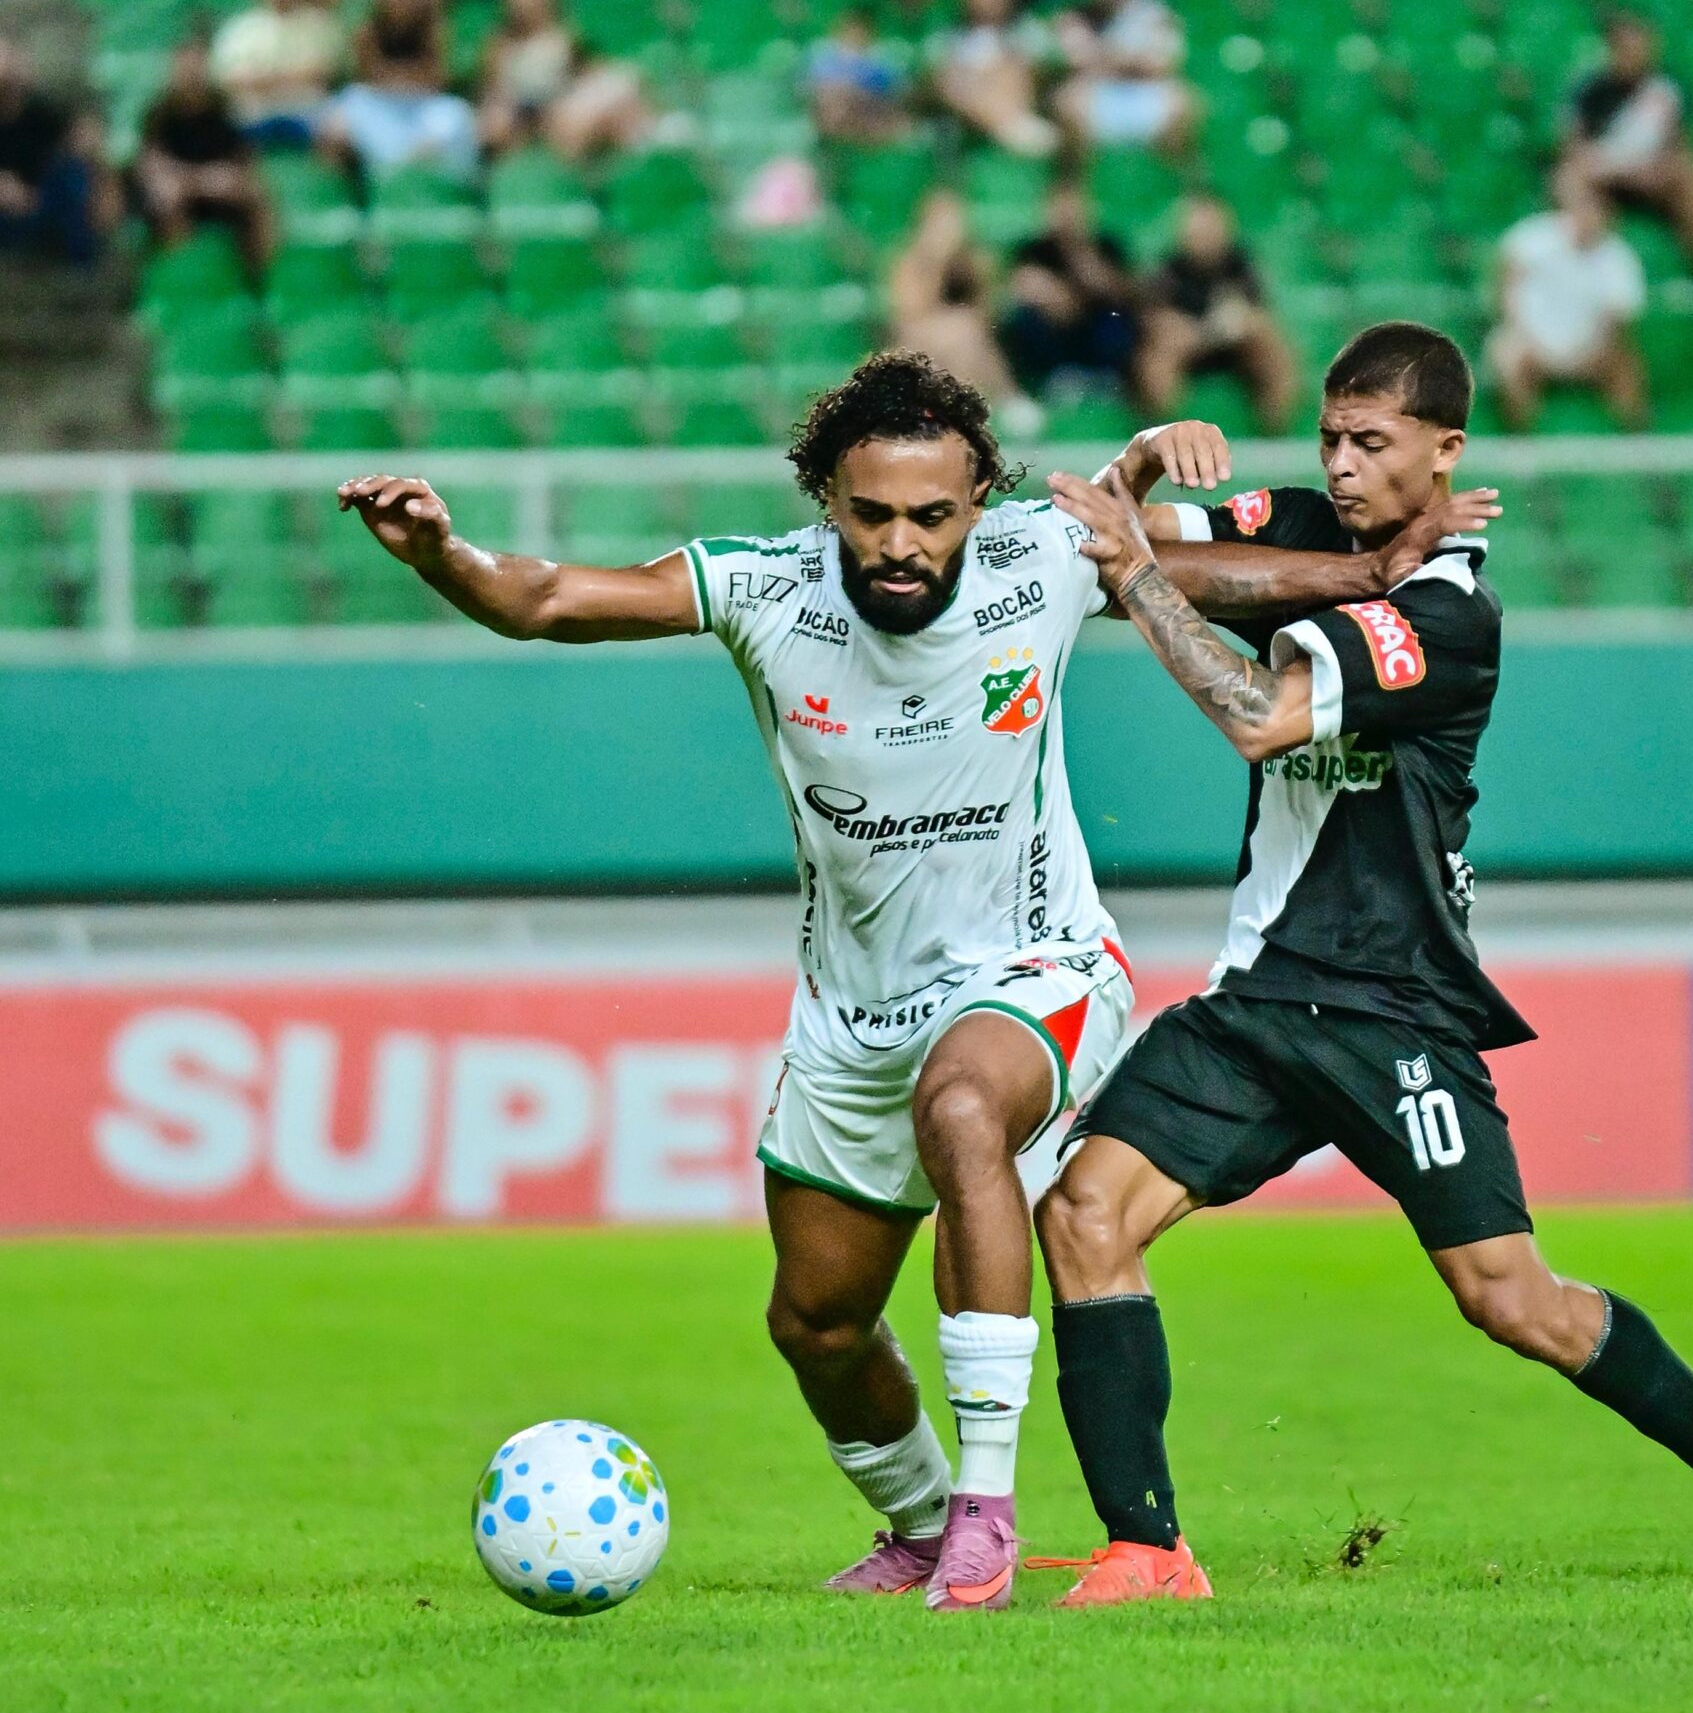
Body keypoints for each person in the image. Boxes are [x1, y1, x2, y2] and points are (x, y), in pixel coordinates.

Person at [337, 358, 1469, 1610]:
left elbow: (1217, 577)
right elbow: (544, 598)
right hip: (849, 1014)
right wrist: (438, 552)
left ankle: (988, 1513)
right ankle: (924, 1521)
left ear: (978, 500)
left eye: (931, 516)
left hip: (1039, 967)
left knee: (962, 1110)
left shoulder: (1037, 557)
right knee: (815, 1324)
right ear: (826, 496)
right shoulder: (762, 586)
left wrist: (1376, 573)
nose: (899, 542)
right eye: (871, 513)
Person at [1028, 324, 1693, 1606]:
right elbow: (1114, 549)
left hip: (1394, 1012)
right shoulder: (1316, 521)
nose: (1344, 463)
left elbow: (1255, 712)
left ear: (1447, 451)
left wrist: (1147, 570)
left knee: (1510, 1300)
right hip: (1260, 996)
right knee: (1082, 1213)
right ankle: (1148, 1549)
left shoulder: (1447, 616)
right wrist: (1146, 463)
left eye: (1372, 444)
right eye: (1331, 435)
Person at [1485, 166, 1647, 430]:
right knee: (1507, 358)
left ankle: (1639, 447)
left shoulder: (1620, 258)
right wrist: (1528, 338)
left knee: (1626, 368)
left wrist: (1587, 353)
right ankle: (1522, 443)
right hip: (1530, 340)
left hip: (1591, 349)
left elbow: (1615, 322)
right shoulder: (1533, 238)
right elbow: (1507, 291)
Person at [1134, 192, 1297, 432]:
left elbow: (1256, 313)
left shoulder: (1242, 265)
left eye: (1211, 226)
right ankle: (1160, 433)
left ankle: (1275, 432)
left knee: (1271, 348)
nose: (1205, 235)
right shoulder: (1168, 270)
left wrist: (1240, 322)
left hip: (1233, 347)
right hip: (1187, 350)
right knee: (1156, 358)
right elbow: (1158, 320)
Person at [1562, 13, 1693, 255]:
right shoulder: (1591, 89)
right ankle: (1584, 253)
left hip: (1653, 170)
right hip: (1606, 171)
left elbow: (1683, 145)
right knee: (1570, 178)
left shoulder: (1667, 88)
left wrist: (1660, 167)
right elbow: (1573, 145)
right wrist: (1610, 168)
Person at [321, 0, 478, 178]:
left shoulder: (433, 26)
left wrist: (396, 77)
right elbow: (368, 74)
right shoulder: (369, 28)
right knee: (340, 117)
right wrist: (405, 76)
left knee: (454, 118)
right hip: (379, 102)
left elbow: (435, 78)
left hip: (424, 103)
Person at [885, 188, 1034, 426]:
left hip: (966, 343)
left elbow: (988, 316)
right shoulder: (909, 261)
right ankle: (1004, 397)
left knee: (967, 334)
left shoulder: (974, 259)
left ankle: (967, 408)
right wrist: (937, 261)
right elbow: (911, 314)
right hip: (918, 340)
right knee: (962, 331)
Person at [132, 40, 275, 278]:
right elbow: (151, 164)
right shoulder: (159, 114)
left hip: (219, 190)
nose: (191, 75)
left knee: (257, 195)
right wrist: (195, 179)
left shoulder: (224, 111)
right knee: (165, 196)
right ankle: (181, 278)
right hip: (180, 187)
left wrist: (225, 179)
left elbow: (242, 161)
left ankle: (258, 279)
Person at [475, 0, 650, 160]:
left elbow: (592, 71)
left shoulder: (566, 37)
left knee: (620, 87)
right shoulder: (500, 45)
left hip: (563, 111)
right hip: (522, 118)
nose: (525, 0)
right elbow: (494, 94)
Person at [1050, 0, 1198, 156]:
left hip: (1145, 93)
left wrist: (1106, 59)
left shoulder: (1157, 12)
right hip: (1099, 96)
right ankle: (1072, 181)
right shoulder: (1075, 15)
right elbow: (1078, 62)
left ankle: (1187, 179)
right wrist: (1130, 61)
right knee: (1068, 99)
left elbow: (1162, 63)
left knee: (1184, 99)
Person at [998, 179, 1141, 401]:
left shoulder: (1105, 246)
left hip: (1096, 336)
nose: (1067, 216)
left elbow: (1126, 294)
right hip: (1049, 336)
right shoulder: (1033, 251)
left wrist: (1086, 264)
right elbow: (1018, 288)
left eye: (1074, 208)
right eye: (1059, 208)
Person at [209, 0, 345, 149]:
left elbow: (323, 73)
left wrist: (265, 80)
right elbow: (228, 78)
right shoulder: (240, 28)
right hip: (254, 114)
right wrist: (289, 78)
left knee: (340, 133)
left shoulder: (320, 24)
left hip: (307, 112)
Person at [0, 39, 112, 267]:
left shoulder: (40, 112)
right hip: (6, 212)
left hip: (41, 202)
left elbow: (74, 146)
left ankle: (82, 266)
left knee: (73, 176)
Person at [928, 0, 1057, 158]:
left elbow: (1044, 70)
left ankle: (1006, 125)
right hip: (966, 112)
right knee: (954, 78)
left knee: (1012, 68)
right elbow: (937, 82)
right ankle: (1005, 128)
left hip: (1017, 102)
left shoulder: (1029, 31)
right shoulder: (949, 38)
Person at [806, 8, 915, 146]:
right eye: (850, 30)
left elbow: (894, 91)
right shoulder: (823, 59)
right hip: (830, 111)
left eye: (860, 31)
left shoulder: (877, 63)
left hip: (865, 111)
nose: (855, 35)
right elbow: (815, 89)